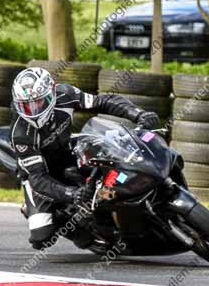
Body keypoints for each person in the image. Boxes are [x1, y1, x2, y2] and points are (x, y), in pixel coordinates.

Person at [9, 67, 159, 250]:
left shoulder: (65, 94)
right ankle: (79, 234)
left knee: (108, 152)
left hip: (66, 149)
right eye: (26, 105)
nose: (33, 110)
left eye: (38, 103)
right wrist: (71, 194)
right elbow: (37, 178)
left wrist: (138, 114)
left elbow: (103, 101)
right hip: (40, 172)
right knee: (42, 237)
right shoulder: (20, 134)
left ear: (52, 93)